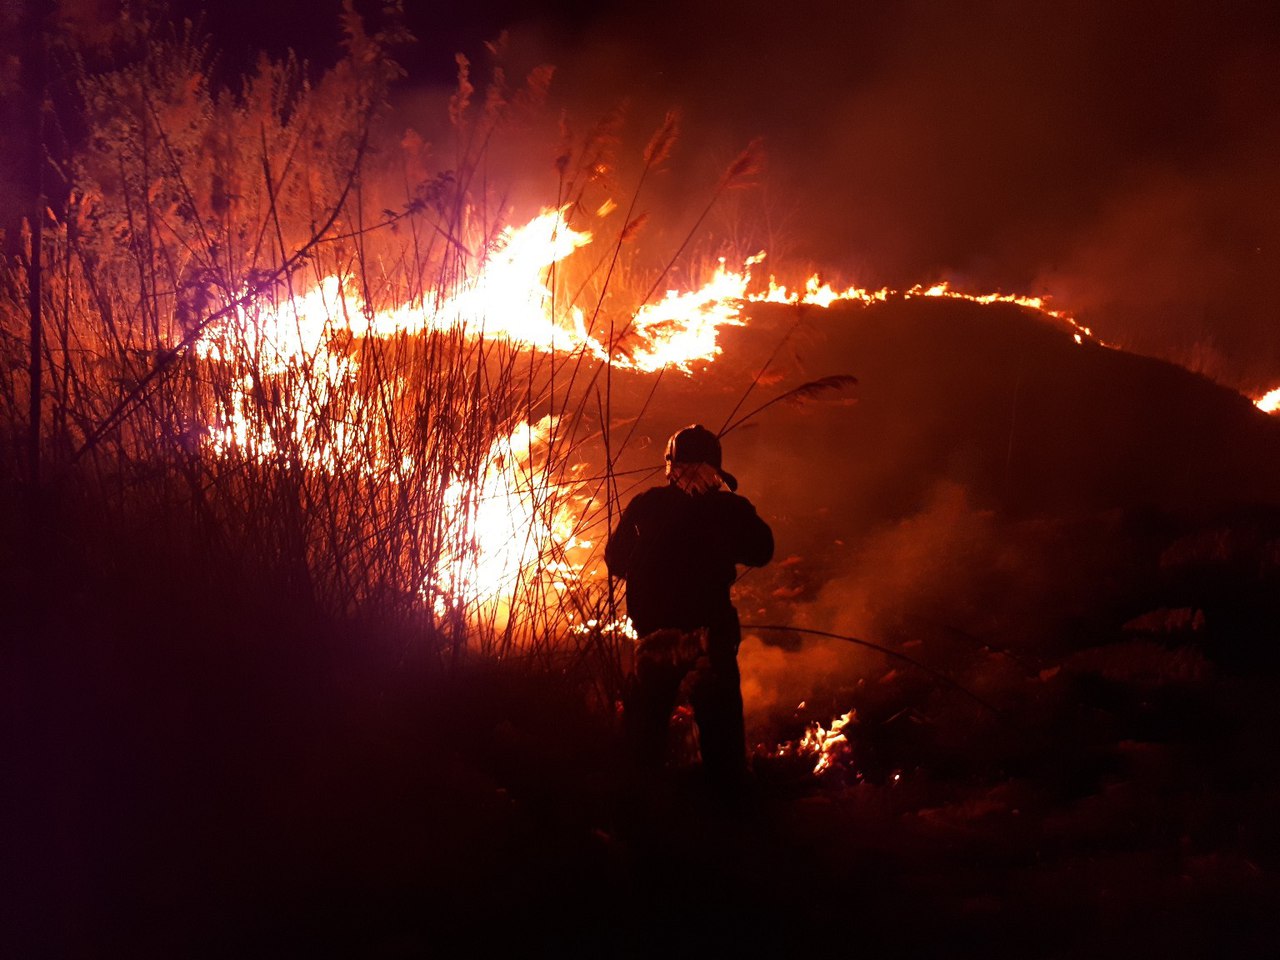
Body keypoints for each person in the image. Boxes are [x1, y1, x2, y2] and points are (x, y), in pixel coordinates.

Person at [605, 424, 774, 791]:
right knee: (722, 736)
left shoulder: (647, 504)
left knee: (645, 735)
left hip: (655, 637)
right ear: (717, 468)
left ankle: (637, 812)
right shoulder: (729, 507)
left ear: (670, 465)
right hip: (708, 636)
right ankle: (727, 812)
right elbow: (762, 552)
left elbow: (616, 560)